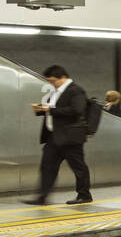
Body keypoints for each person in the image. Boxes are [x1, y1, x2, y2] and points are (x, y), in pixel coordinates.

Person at [23, 65, 93, 205]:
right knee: (47, 167)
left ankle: (84, 195)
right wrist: (40, 110)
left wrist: (50, 109)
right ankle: (42, 197)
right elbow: (53, 110)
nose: (51, 83)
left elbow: (77, 110)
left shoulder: (75, 90)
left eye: (53, 80)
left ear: (63, 77)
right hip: (53, 137)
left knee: (78, 168)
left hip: (70, 137)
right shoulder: (55, 92)